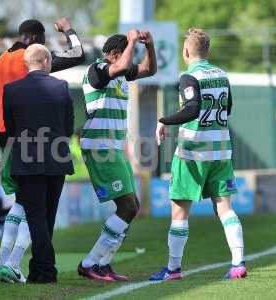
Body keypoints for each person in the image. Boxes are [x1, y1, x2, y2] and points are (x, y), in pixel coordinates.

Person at [0, 18, 84, 283]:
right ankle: (19, 263)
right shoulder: (33, 57)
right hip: (46, 147)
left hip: (11, 145)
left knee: (23, 205)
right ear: (35, 39)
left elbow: (5, 116)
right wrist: (67, 29)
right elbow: (78, 53)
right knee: (37, 213)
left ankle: (5, 261)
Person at [150, 28, 246, 281]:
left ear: (185, 51)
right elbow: (229, 108)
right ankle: (238, 263)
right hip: (221, 151)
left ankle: (173, 269)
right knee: (225, 208)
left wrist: (164, 120)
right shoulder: (222, 74)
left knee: (179, 210)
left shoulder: (189, 76)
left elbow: (192, 110)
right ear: (208, 51)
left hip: (193, 154)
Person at [78, 30, 157, 281]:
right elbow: (123, 66)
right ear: (113, 54)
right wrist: (132, 40)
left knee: (132, 206)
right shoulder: (97, 70)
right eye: (126, 53)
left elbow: (149, 70)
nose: (129, 59)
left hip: (113, 147)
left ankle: (103, 263)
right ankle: (90, 263)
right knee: (127, 206)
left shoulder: (121, 74)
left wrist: (150, 46)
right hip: (99, 147)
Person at [3, 44, 74, 283]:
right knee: (48, 216)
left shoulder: (11, 90)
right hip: (57, 159)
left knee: (35, 217)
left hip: (27, 160)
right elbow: (68, 126)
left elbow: (11, 130)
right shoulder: (61, 87)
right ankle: (42, 269)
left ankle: (44, 270)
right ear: (45, 60)